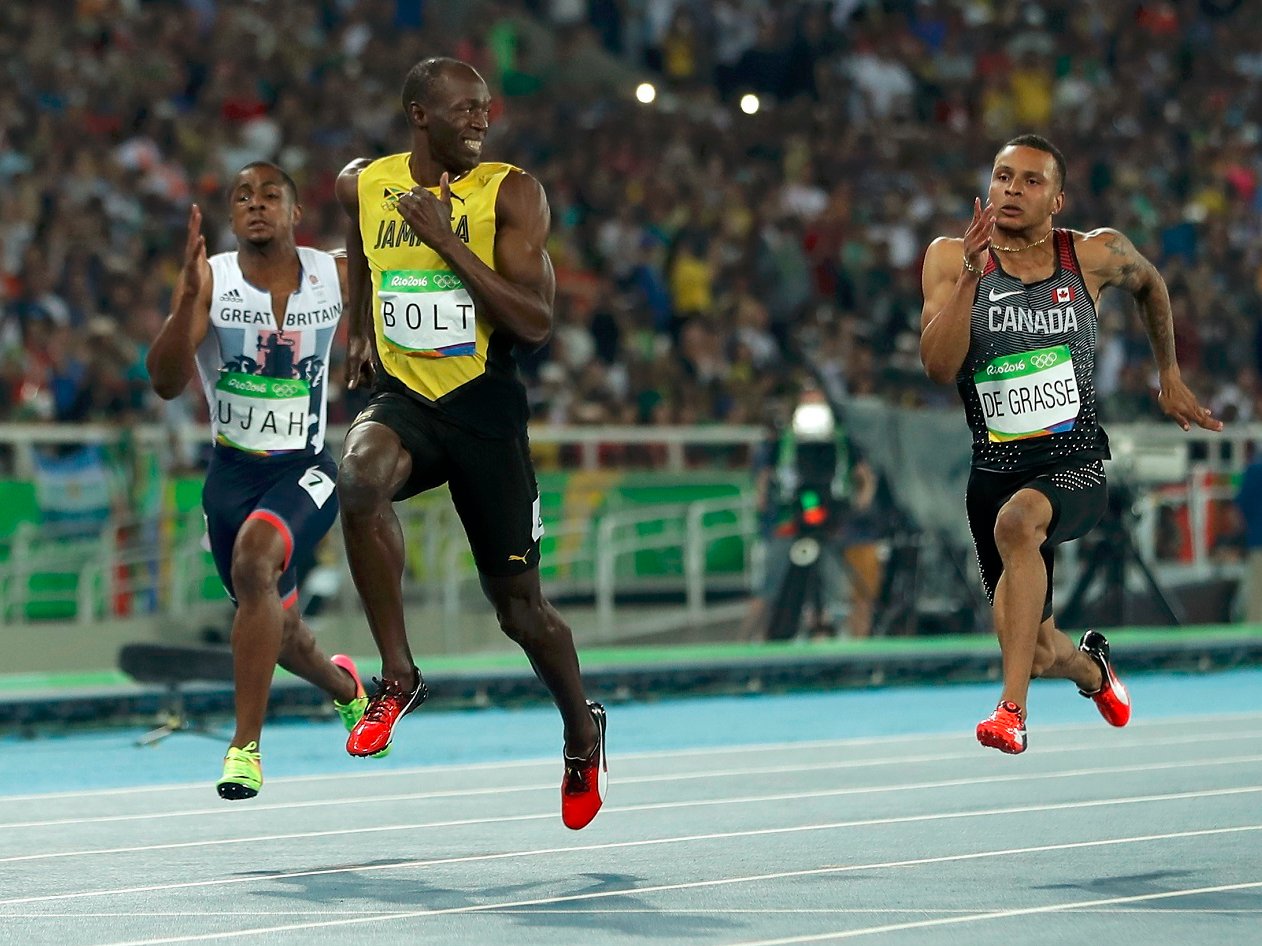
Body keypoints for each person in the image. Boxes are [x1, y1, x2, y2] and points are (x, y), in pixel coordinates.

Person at [334, 58, 606, 829]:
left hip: (485, 410)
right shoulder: (363, 183)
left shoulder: (510, 193)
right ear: (420, 115)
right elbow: (360, 252)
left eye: (486, 108)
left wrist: (448, 242)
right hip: (406, 400)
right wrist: (361, 330)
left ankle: (581, 732)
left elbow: (536, 322)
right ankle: (397, 677)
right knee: (358, 482)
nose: (482, 121)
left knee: (521, 612)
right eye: (465, 110)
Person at [919, 134, 1223, 754]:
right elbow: (938, 368)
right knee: (1034, 650)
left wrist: (1169, 374)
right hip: (994, 471)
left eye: (1031, 181)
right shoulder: (951, 257)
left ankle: (1011, 713)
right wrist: (972, 276)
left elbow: (1151, 284)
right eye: (1003, 176)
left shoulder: (1092, 253)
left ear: (1057, 199)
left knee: (1018, 522)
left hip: (1074, 462)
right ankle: (1092, 670)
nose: (1012, 189)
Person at [147, 162, 382, 799]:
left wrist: (364, 334)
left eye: (270, 195)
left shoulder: (333, 274)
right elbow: (165, 382)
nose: (256, 204)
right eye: (244, 197)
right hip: (231, 477)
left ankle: (244, 748)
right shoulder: (212, 280)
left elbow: (384, 264)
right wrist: (184, 303)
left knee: (256, 563)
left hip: (305, 469)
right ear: (231, 216)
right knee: (282, 632)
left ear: (294, 213)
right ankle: (346, 688)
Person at [742, 386, 881, 641]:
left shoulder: (841, 438)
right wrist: (763, 499)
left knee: (835, 589)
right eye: (807, 399)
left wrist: (861, 502)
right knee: (770, 589)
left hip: (832, 523)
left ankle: (829, 630)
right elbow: (765, 477)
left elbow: (863, 474)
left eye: (817, 399)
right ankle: (748, 644)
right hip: (789, 522)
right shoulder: (784, 439)